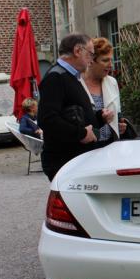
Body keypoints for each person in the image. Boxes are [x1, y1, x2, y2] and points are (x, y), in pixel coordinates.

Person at [39, 33, 105, 181]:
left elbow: (74, 115)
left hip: (75, 159)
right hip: (65, 161)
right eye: (90, 54)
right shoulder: (55, 77)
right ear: (77, 51)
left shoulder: (70, 76)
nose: (91, 60)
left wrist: (100, 118)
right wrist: (81, 134)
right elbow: (47, 119)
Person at [81, 37, 127, 146]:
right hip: (86, 148)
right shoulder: (77, 84)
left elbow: (118, 112)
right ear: (91, 60)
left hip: (110, 145)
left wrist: (119, 124)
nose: (111, 65)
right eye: (105, 60)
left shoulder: (112, 82)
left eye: (111, 60)